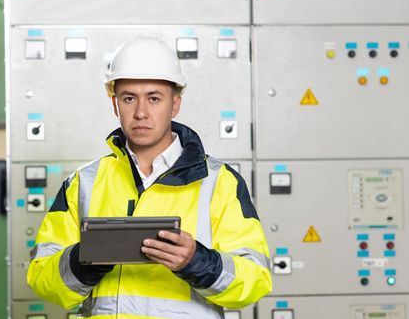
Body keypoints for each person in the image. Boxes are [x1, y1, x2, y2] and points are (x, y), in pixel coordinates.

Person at [27, 38, 272, 318]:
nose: (141, 112)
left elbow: (256, 279)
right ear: (115, 105)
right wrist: (86, 260)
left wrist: (197, 261)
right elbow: (41, 276)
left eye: (154, 98)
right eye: (129, 98)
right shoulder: (83, 182)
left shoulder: (220, 182)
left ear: (175, 104)